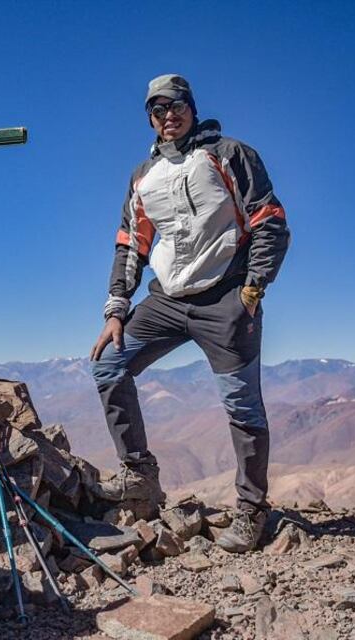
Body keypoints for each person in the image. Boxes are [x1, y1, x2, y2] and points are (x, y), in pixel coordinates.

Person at [89, 75, 290, 553]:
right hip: (167, 300)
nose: (168, 116)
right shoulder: (142, 177)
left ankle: (252, 509)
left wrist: (252, 290)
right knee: (108, 363)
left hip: (226, 296)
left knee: (241, 404)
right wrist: (117, 309)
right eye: (157, 110)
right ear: (150, 119)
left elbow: (270, 221)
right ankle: (139, 474)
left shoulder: (229, 154)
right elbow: (131, 246)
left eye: (176, 105)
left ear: (192, 107)